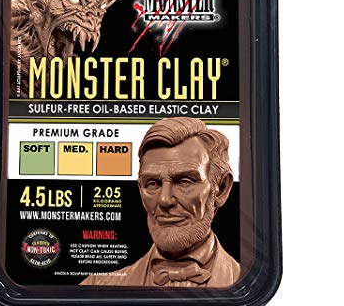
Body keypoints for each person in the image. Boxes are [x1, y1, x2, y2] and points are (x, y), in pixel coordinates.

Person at [81, 117, 240, 287]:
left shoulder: (249, 282)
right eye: (153, 184)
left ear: (221, 188)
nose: (164, 200)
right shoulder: (95, 286)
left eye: (184, 181)